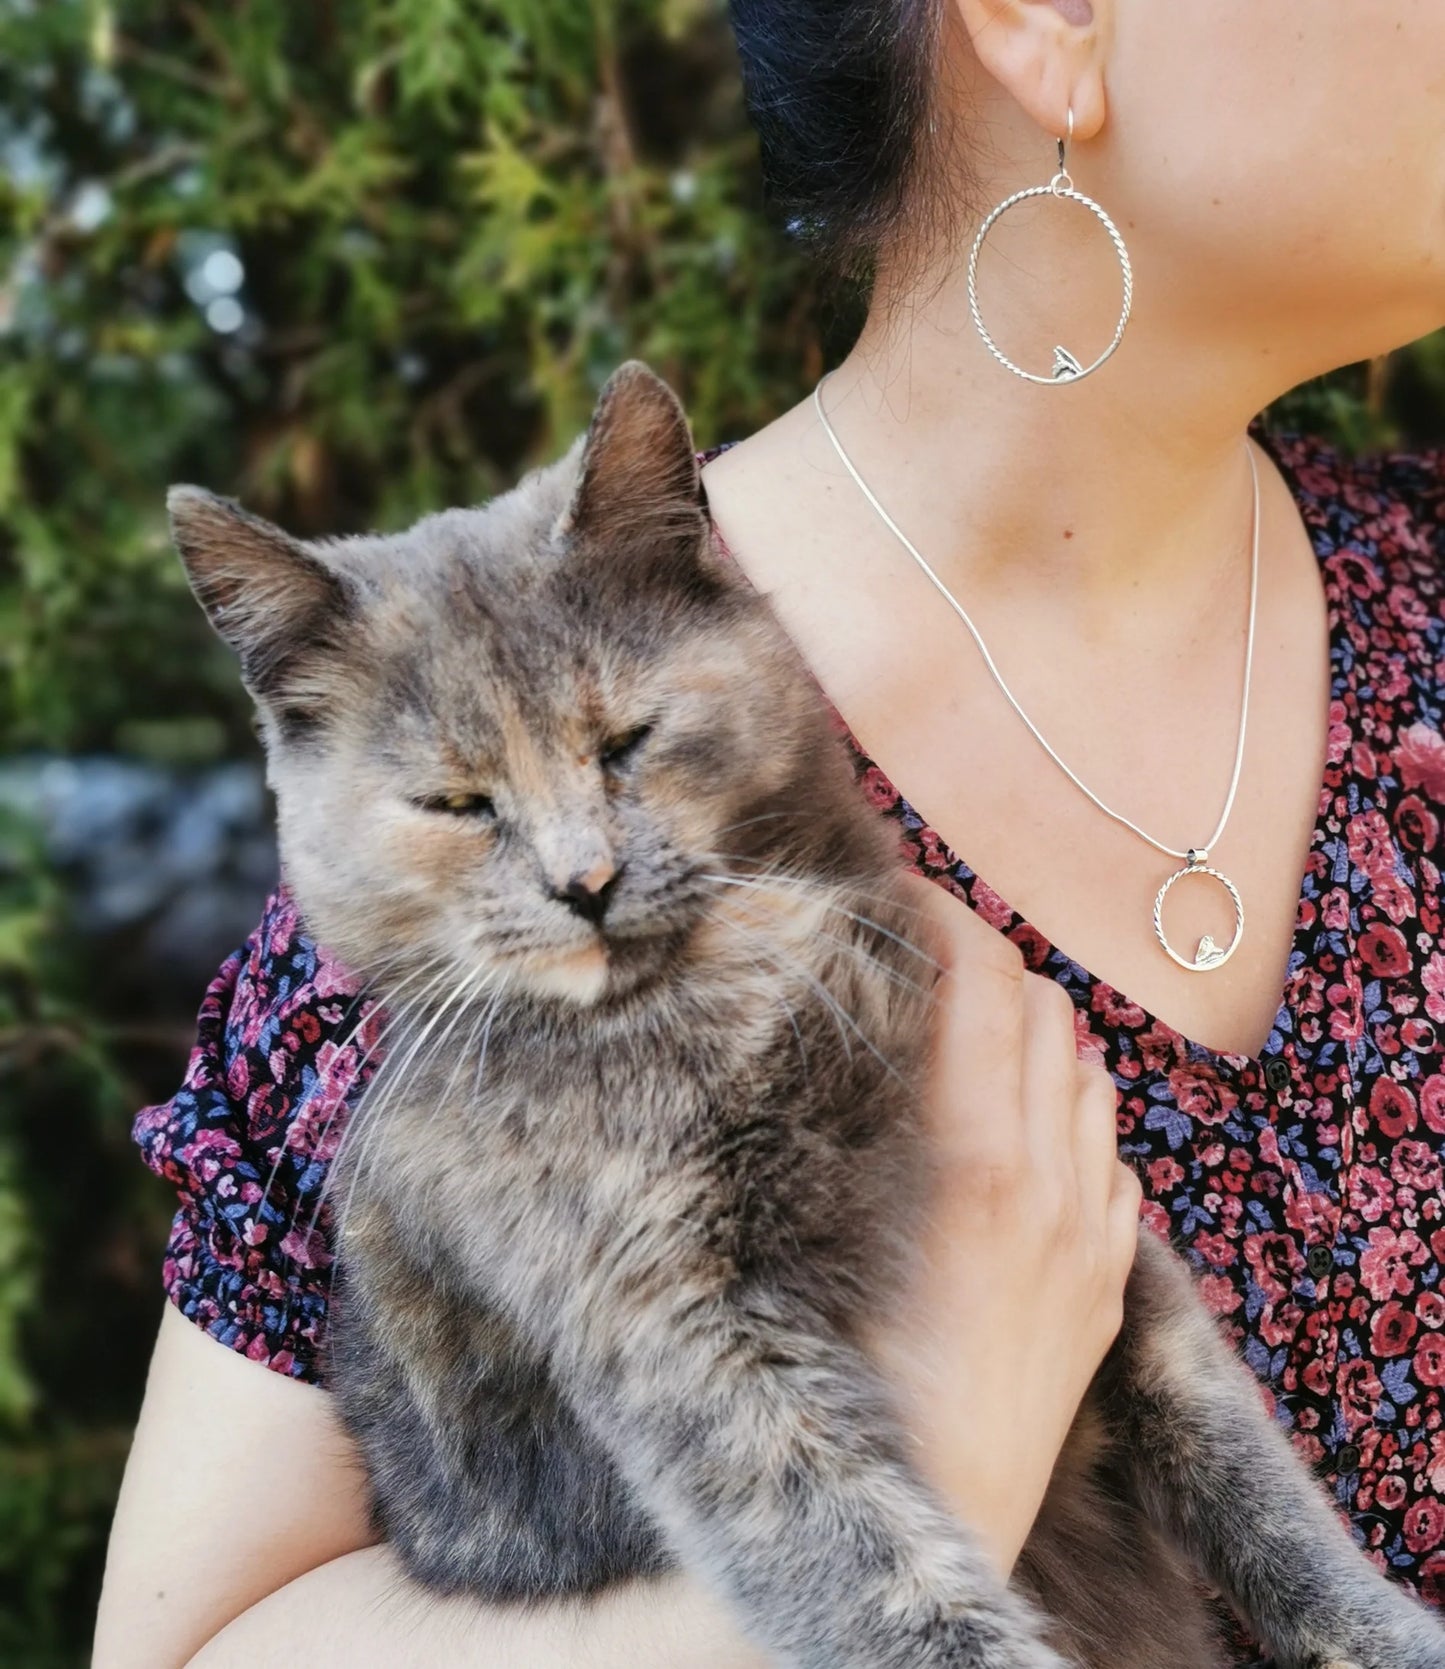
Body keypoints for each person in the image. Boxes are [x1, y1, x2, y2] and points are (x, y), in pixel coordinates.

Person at [93, 1, 1445, 1665]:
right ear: (1043, 20)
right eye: (470, 806)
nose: (581, 863)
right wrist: (943, 1432)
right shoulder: (410, 979)